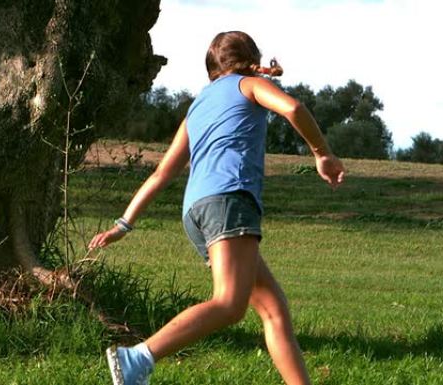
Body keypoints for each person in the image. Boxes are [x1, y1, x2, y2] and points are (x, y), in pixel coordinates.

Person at [89, 31, 345, 385]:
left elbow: (164, 171)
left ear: (211, 68)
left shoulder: (197, 107)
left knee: (273, 309)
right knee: (229, 303)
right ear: (249, 59)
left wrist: (124, 223)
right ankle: (138, 358)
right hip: (229, 201)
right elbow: (294, 108)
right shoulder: (249, 84)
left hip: (197, 210)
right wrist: (323, 154)